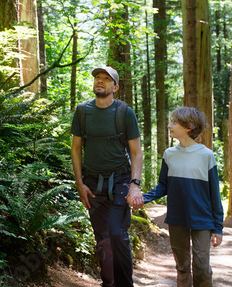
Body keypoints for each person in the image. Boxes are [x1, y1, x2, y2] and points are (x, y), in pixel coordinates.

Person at [129, 107, 224, 286]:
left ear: (189, 126)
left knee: (202, 266)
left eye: (174, 122)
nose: (169, 126)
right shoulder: (169, 154)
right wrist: (143, 198)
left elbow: (214, 193)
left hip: (203, 219)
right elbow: (163, 186)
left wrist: (218, 227)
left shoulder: (206, 155)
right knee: (182, 267)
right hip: (177, 218)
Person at [71, 66, 144, 287]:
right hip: (92, 183)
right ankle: (108, 283)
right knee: (102, 239)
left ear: (116, 87)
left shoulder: (124, 113)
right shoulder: (83, 111)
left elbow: (136, 151)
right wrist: (80, 183)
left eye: (106, 79)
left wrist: (134, 184)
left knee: (117, 233)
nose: (100, 81)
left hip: (120, 180)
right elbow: (75, 149)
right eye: (97, 78)